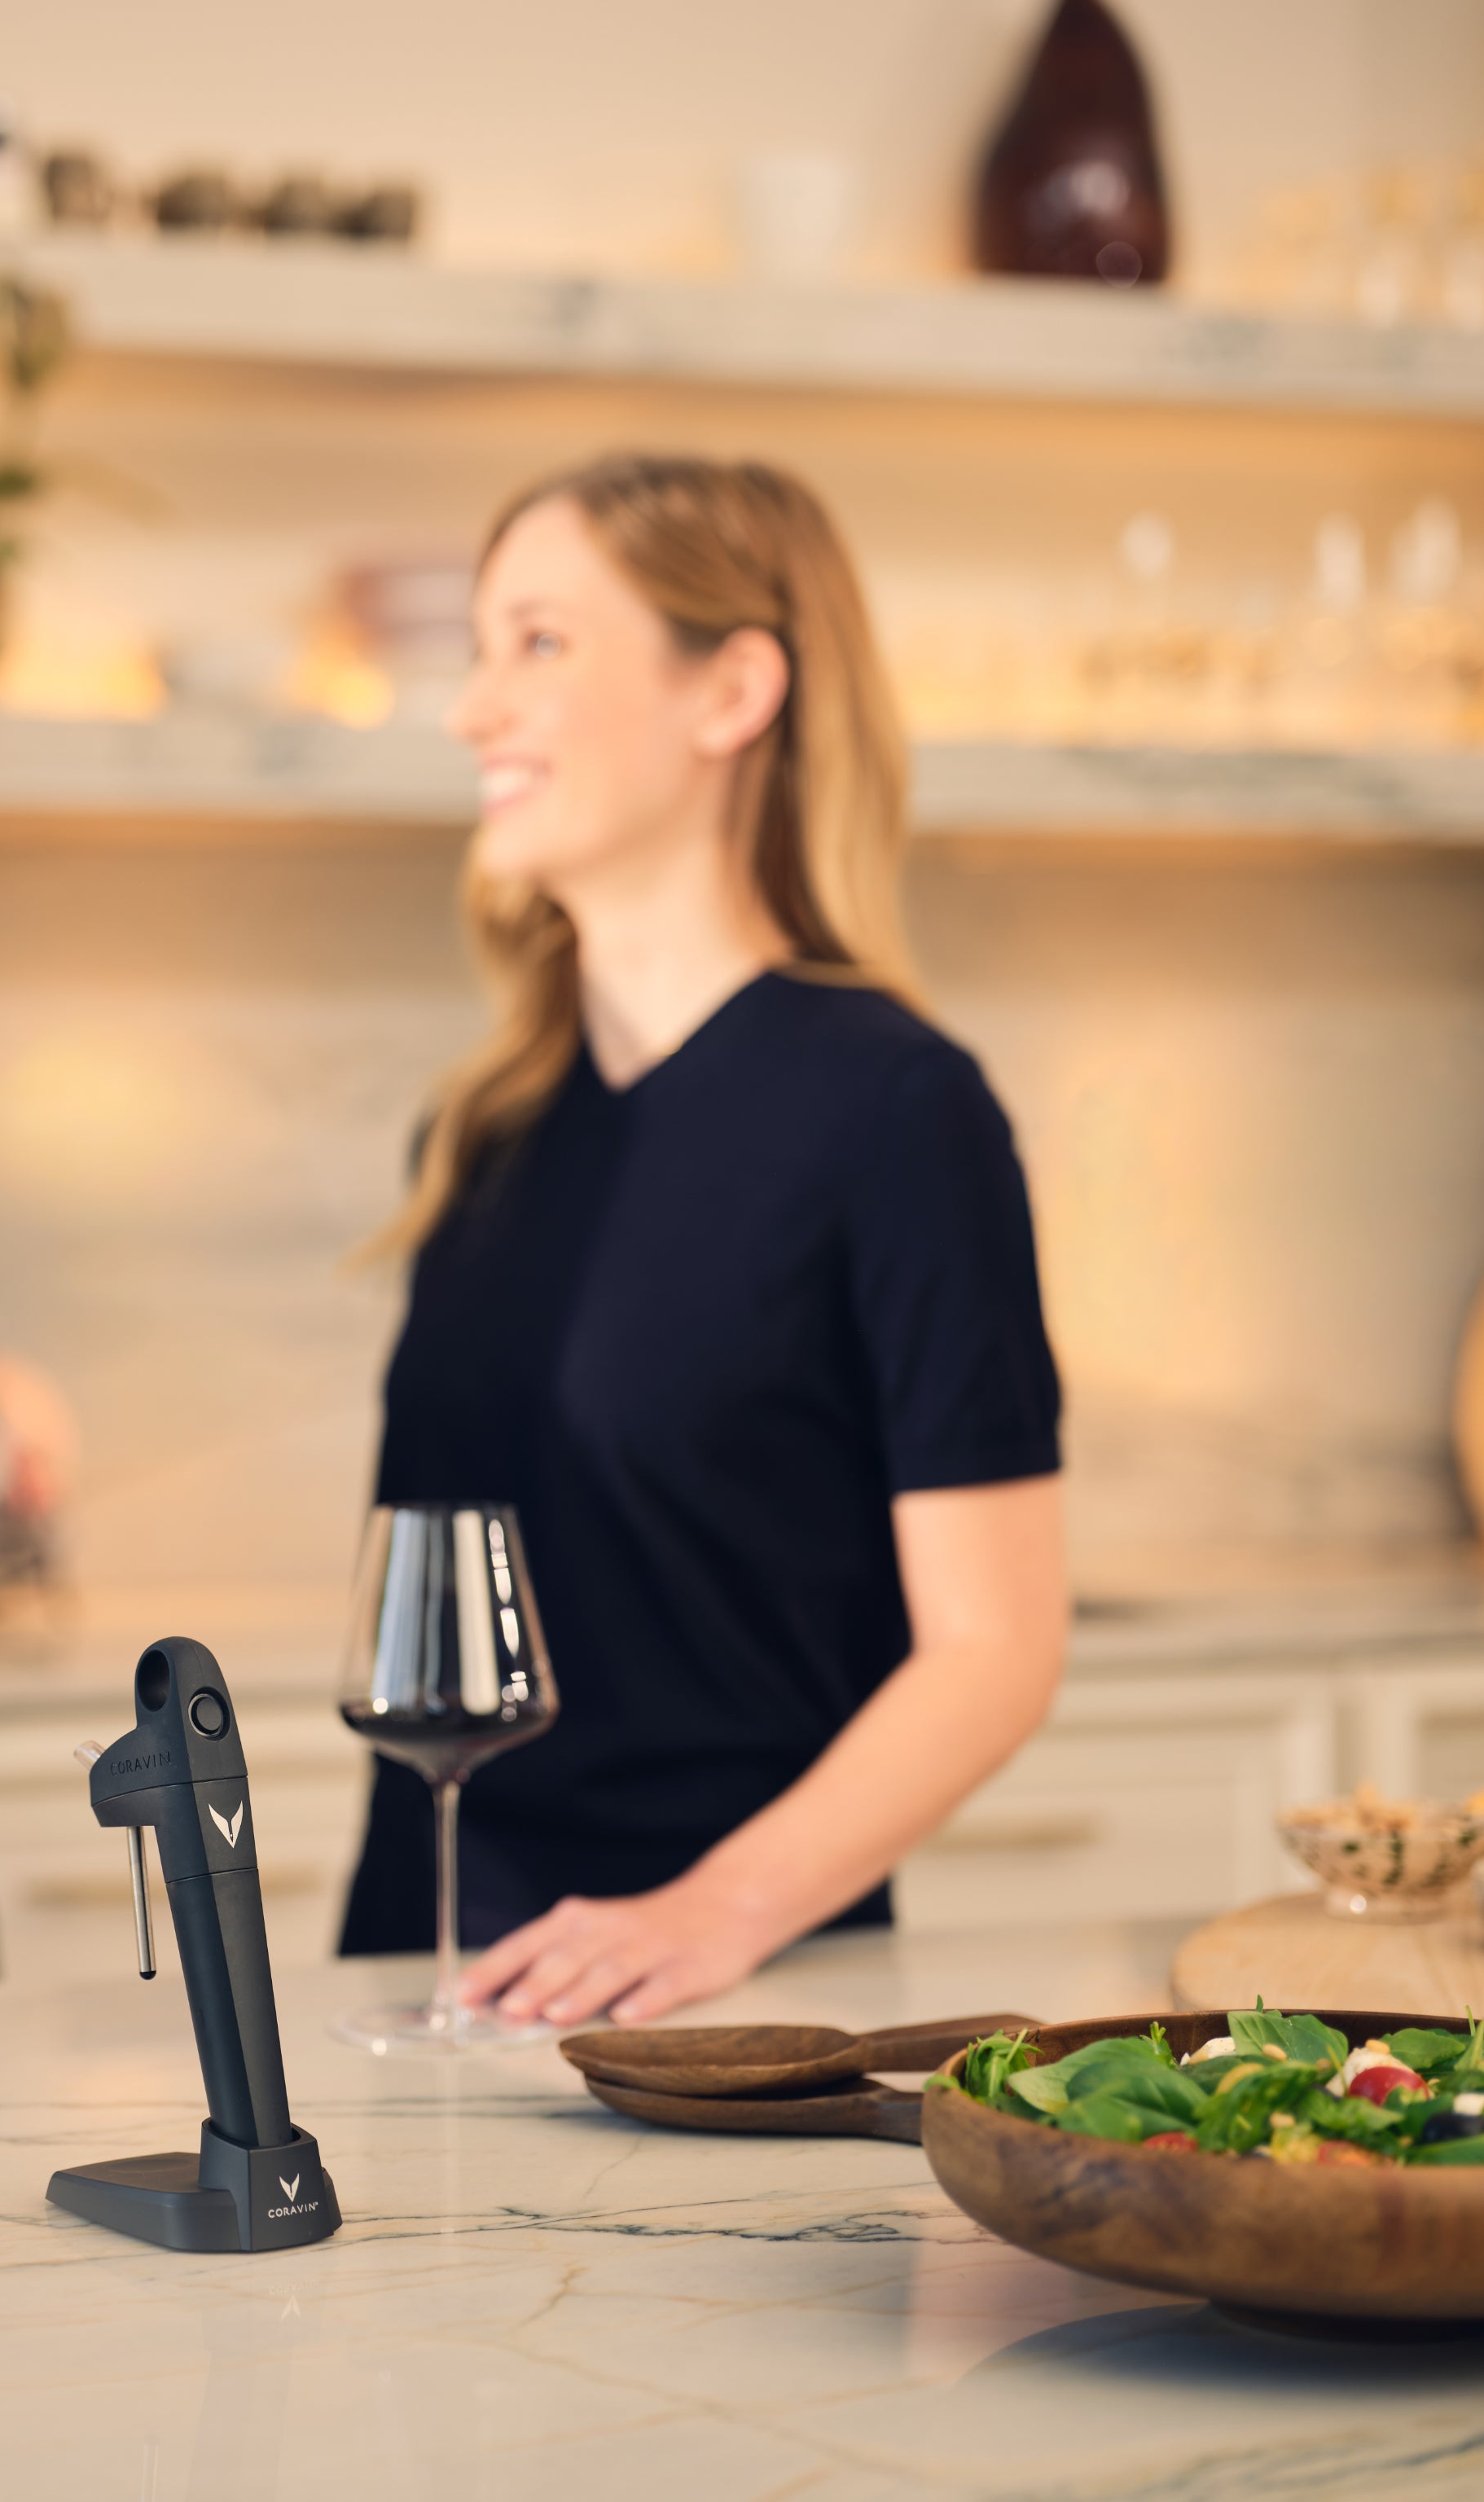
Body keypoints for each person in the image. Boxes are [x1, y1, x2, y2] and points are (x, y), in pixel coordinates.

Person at [335, 454, 1069, 2028]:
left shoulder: (899, 1111)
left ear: (730, 689)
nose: (472, 710)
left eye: (538, 643)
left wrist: (714, 1914)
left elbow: (997, 1648)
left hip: (719, 2005)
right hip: (421, 1965)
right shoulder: (487, 1129)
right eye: (477, 649)